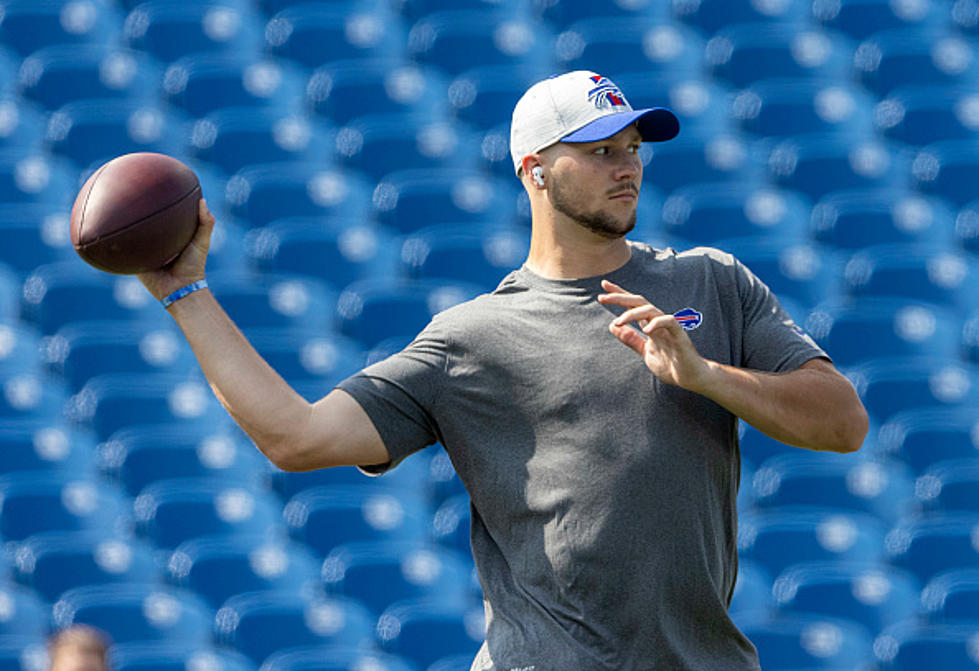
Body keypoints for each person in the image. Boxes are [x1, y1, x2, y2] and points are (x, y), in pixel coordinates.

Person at [139, 70, 869, 670]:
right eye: (598, 151)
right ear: (534, 171)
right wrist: (184, 293)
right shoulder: (471, 338)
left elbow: (842, 422)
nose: (626, 168)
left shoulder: (712, 282)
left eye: (631, 148)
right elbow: (295, 436)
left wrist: (705, 374)